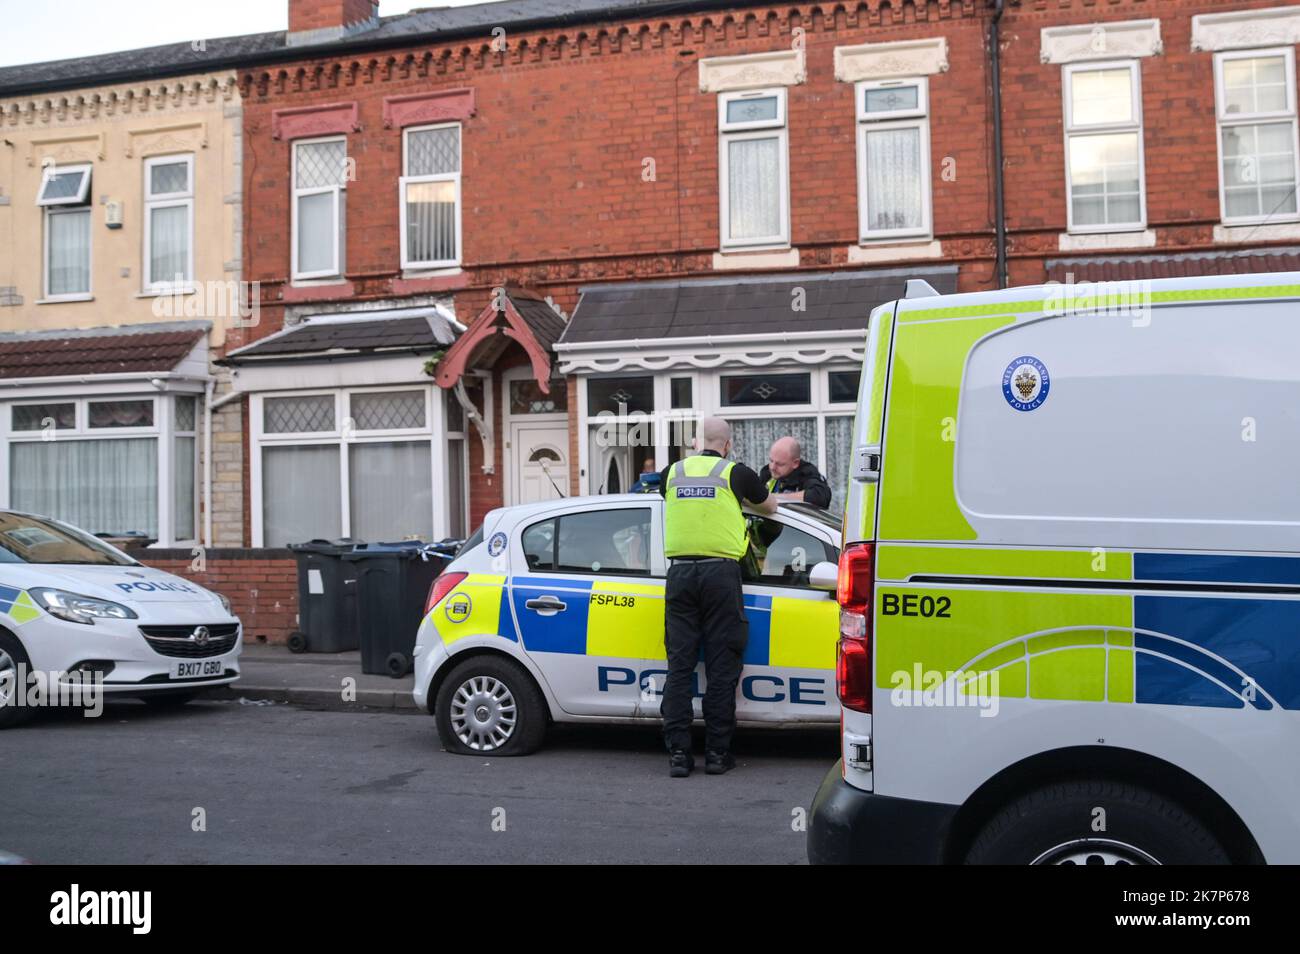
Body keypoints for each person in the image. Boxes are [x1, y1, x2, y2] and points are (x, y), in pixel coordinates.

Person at [658, 417, 776, 777]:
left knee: (680, 668)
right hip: (720, 576)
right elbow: (770, 508)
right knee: (722, 667)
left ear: (697, 443)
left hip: (679, 574)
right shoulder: (735, 473)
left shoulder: (671, 473)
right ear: (727, 444)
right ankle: (716, 755)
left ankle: (679, 755)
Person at [758, 436, 832, 509]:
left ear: (795, 463)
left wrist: (774, 497)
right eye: (771, 461)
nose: (772, 467)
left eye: (780, 464)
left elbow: (820, 496)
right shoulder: (767, 472)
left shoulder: (806, 473)